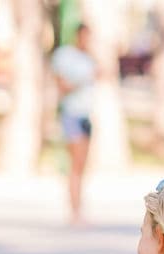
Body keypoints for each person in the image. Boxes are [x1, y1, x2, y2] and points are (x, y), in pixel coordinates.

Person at [51, 23, 96, 225]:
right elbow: (62, 85)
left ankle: (79, 206)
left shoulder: (89, 59)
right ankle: (74, 210)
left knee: (83, 165)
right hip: (71, 114)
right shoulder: (64, 56)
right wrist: (80, 80)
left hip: (87, 115)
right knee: (75, 164)